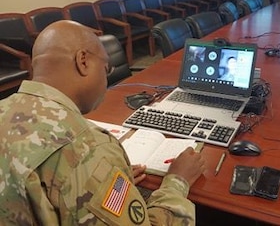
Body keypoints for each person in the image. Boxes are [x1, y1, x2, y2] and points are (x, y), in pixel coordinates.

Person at [0, 20, 206, 225]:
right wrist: (178, 182)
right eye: (106, 69)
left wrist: (102, 182)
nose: (106, 80)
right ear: (83, 61)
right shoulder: (88, 149)